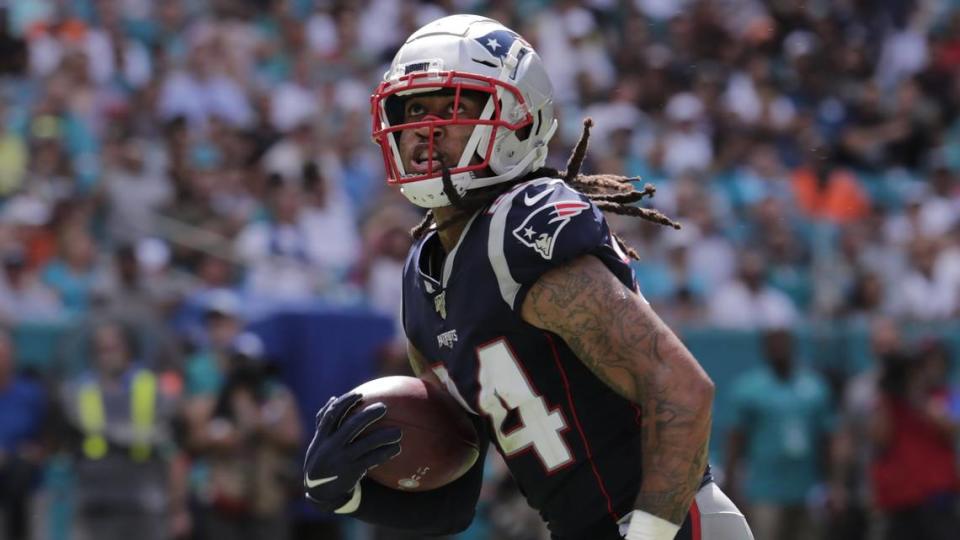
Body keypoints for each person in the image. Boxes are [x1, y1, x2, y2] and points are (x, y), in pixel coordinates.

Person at [303, 15, 753, 540]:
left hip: (671, 523)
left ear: (517, 121)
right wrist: (346, 490)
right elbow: (455, 500)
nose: (426, 129)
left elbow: (682, 389)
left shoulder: (522, 227)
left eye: (451, 107)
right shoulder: (422, 277)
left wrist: (649, 535)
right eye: (414, 108)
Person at [724, 328, 835, 540]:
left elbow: (828, 438)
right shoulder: (750, 388)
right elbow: (736, 438)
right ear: (764, 350)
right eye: (773, 344)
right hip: (764, 490)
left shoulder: (814, 387)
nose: (779, 349)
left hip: (806, 487)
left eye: (783, 343)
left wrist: (831, 483)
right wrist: (731, 484)